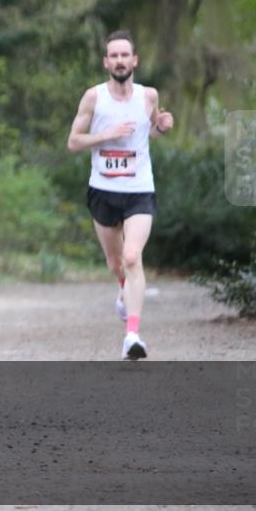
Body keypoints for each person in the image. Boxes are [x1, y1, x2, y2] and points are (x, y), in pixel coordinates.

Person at [67, 30, 173, 360]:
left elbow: (152, 130)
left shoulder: (148, 96)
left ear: (135, 60)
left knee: (131, 257)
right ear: (106, 62)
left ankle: (132, 336)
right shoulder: (94, 98)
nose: (119, 60)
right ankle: (123, 289)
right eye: (113, 56)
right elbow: (73, 142)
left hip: (139, 189)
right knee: (116, 263)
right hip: (103, 190)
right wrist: (106, 134)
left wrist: (163, 126)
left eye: (124, 55)